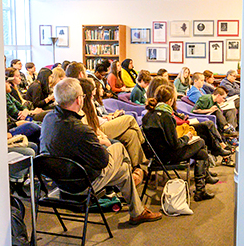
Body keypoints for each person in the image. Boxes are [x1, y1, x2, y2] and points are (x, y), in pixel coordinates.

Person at [41, 78, 161, 225]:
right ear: (79, 100)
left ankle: (137, 212)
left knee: (123, 171)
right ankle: (137, 172)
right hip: (82, 186)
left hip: (59, 184)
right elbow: (103, 161)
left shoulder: (48, 119)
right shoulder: (80, 129)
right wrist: (106, 143)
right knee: (118, 148)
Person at [142, 85, 216, 201]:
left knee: (201, 152)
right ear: (171, 100)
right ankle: (201, 187)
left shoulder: (147, 115)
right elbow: (175, 145)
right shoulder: (166, 117)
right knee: (201, 142)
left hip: (156, 156)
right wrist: (187, 137)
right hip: (168, 156)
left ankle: (202, 187)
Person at [79, 77, 146, 185]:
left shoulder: (91, 102)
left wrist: (109, 117)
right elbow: (95, 124)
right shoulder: (83, 106)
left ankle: (136, 168)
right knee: (130, 119)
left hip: (102, 125)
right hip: (101, 129)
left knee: (131, 134)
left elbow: (97, 118)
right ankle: (143, 141)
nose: (96, 90)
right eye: (94, 89)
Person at [147, 76, 233, 160]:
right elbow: (174, 143)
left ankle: (216, 151)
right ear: (170, 99)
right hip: (169, 153)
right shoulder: (165, 115)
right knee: (201, 140)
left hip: (162, 150)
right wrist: (187, 137)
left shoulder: (154, 113)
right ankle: (217, 150)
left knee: (204, 130)